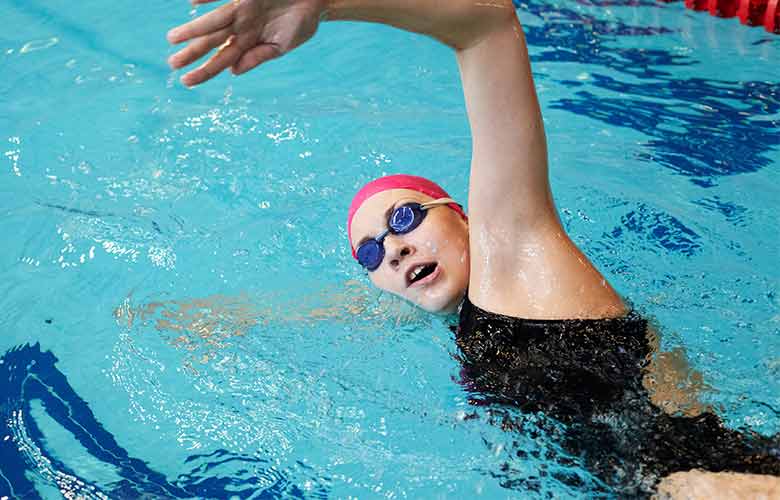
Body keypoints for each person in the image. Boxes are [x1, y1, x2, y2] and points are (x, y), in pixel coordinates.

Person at [166, 0, 780, 497]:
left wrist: (325, 5)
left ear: (462, 216)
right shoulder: (475, 318)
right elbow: (340, 311)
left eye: (404, 218)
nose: (394, 250)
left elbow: (487, 24)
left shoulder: (519, 254)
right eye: (371, 254)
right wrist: (190, 319)